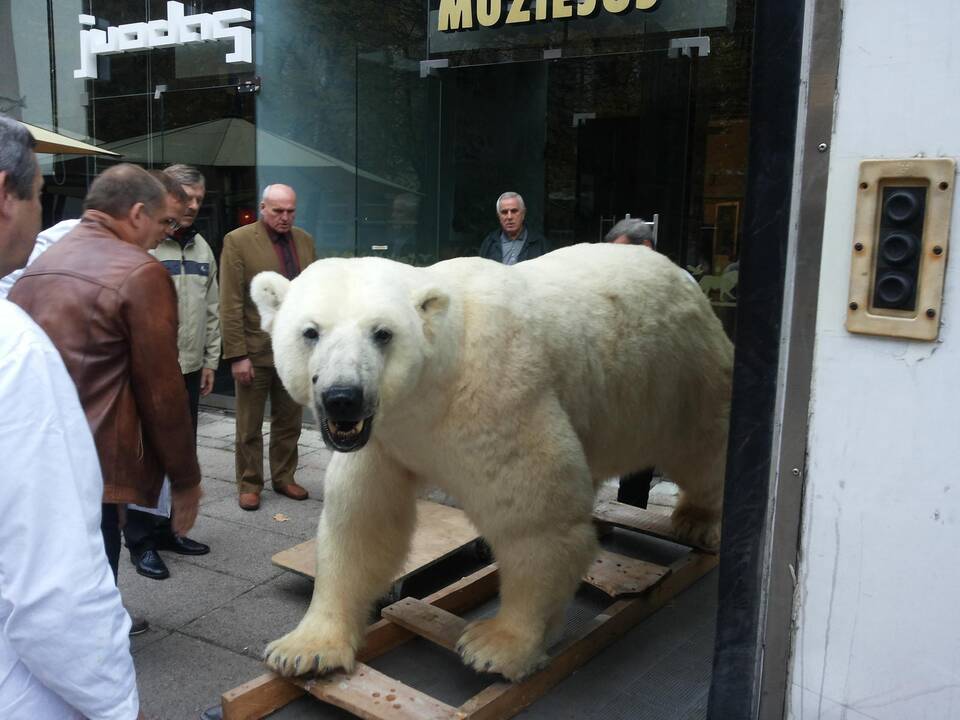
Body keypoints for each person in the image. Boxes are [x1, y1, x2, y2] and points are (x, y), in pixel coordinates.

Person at [9, 163, 203, 629]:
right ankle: (99, 638)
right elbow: (162, 391)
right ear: (136, 214)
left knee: (59, 559)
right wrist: (185, 479)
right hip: (94, 454)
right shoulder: (139, 272)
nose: (164, 234)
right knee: (96, 554)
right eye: (163, 223)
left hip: (38, 449)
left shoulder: (40, 265)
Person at [0, 115, 142, 719]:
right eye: (37, 196)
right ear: (5, 195)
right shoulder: (13, 354)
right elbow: (53, 587)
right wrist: (116, 703)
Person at [123, 165, 218, 580]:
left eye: (200, 198)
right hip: (149, 372)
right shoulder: (144, 246)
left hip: (190, 369)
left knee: (180, 451)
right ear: (168, 196)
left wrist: (212, 359)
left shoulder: (201, 249)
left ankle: (168, 531)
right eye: (187, 198)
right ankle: (140, 541)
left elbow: (213, 307)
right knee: (147, 457)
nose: (195, 205)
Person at [219, 183, 317, 511]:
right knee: (248, 423)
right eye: (278, 211)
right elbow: (230, 301)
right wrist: (236, 355)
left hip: (293, 352)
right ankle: (249, 482)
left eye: (290, 211)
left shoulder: (304, 241)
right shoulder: (238, 241)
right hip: (254, 349)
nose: (285, 217)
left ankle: (284, 476)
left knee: (289, 419)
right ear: (263, 208)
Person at [478, 191, 550, 265]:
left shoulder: (539, 242)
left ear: (523, 213)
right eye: (504, 212)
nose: (509, 217)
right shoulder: (490, 243)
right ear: (498, 216)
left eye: (514, 211)